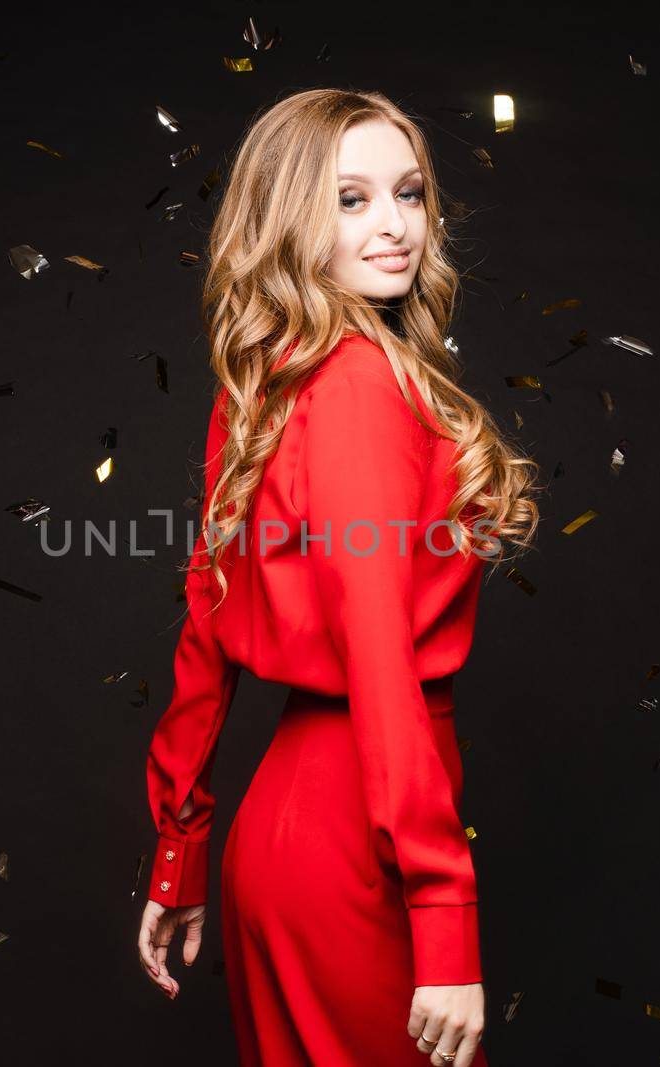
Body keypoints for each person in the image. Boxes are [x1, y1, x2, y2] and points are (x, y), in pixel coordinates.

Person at [135, 88, 542, 1067]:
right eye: (350, 199)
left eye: (407, 192)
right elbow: (377, 657)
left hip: (288, 832)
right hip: (362, 841)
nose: (395, 224)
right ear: (289, 217)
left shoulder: (266, 380)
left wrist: (180, 842)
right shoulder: (358, 381)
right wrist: (445, 916)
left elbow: (206, 621)